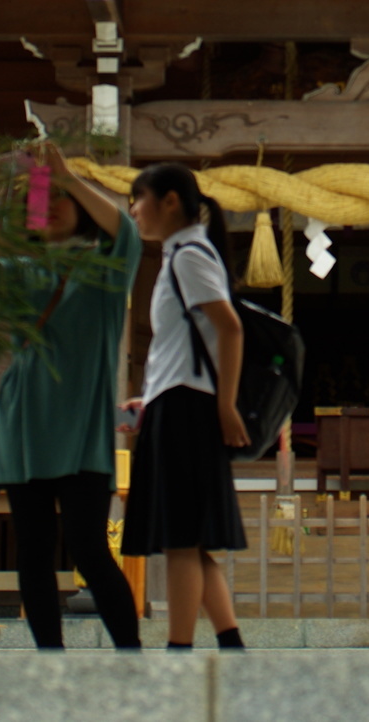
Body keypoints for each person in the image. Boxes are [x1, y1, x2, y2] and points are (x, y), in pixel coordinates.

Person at [0, 141, 142, 650]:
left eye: (65, 201)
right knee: (32, 553)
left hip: (80, 431)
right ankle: (49, 662)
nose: (54, 206)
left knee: (89, 549)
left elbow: (128, 232)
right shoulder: (19, 270)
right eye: (46, 199)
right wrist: (34, 181)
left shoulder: (104, 271)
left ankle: (131, 658)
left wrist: (66, 177)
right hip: (24, 424)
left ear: (81, 209)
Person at [120, 162, 248, 651]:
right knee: (190, 540)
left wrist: (226, 405)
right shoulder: (183, 254)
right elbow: (184, 348)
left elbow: (229, 328)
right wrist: (151, 397)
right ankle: (229, 642)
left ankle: (178, 651)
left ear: (170, 200)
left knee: (179, 539)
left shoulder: (189, 256)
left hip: (189, 411)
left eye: (139, 198)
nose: (133, 208)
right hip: (176, 403)